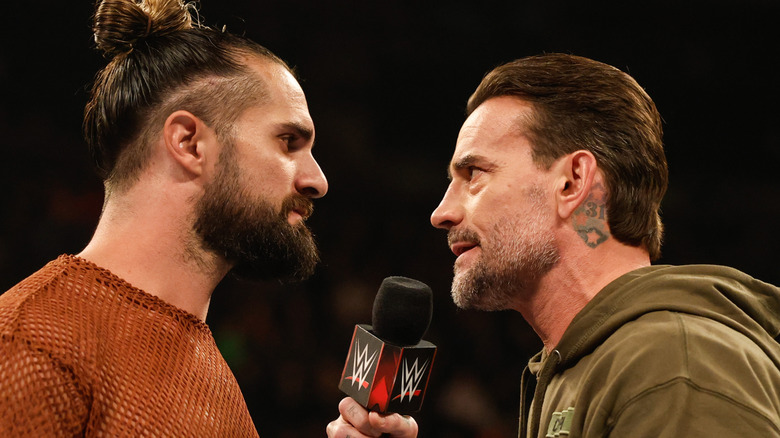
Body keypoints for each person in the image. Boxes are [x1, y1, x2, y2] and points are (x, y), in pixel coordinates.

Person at [0, 0, 408, 436]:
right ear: (189, 142)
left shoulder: (209, 371)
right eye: (288, 141)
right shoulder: (31, 346)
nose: (318, 180)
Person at [329, 52, 780, 437]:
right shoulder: (586, 363)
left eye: (474, 175)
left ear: (572, 183)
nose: (441, 212)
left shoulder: (674, 367)